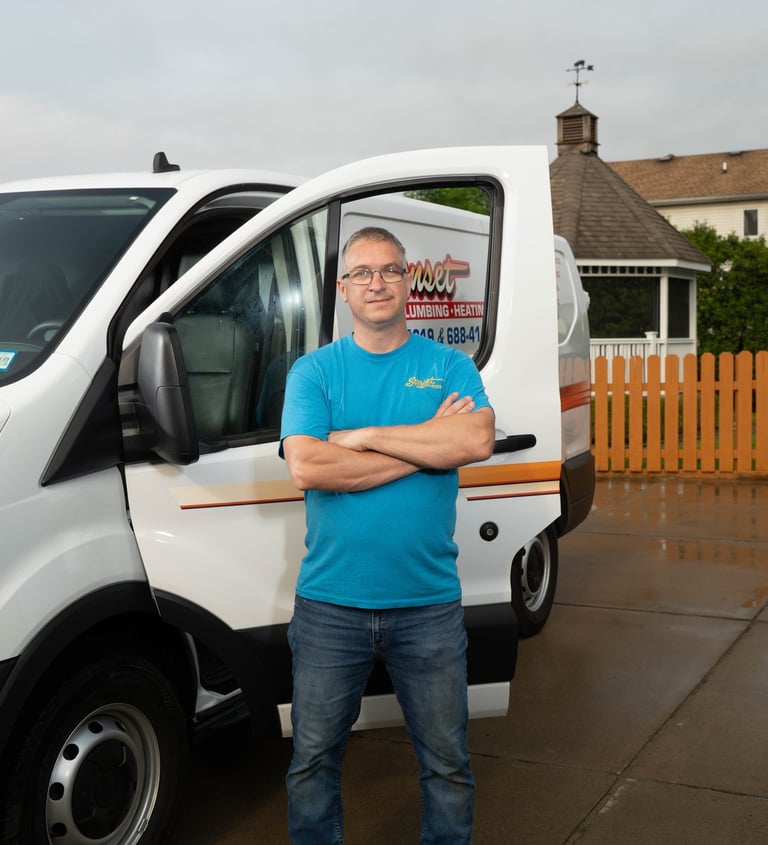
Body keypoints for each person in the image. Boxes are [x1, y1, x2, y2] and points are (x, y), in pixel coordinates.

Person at [279, 226, 496, 844]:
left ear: (410, 283)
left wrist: (364, 435)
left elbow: (476, 440)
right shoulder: (313, 371)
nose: (378, 283)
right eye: (364, 274)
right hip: (330, 606)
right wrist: (426, 445)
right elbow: (309, 465)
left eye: (391, 270)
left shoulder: (449, 365)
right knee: (313, 764)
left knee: (447, 766)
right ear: (344, 290)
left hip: (427, 604)